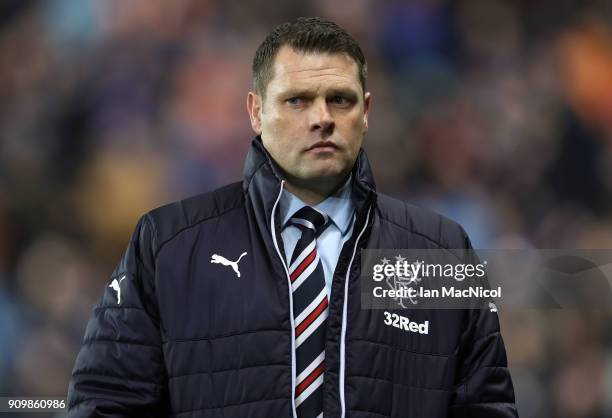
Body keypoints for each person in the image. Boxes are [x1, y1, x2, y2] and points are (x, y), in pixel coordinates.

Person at [66, 17, 518, 418]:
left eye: (340, 100)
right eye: (298, 100)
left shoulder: (439, 249)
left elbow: (486, 405)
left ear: (366, 113)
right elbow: (105, 403)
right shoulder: (168, 245)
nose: (322, 117)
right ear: (256, 111)